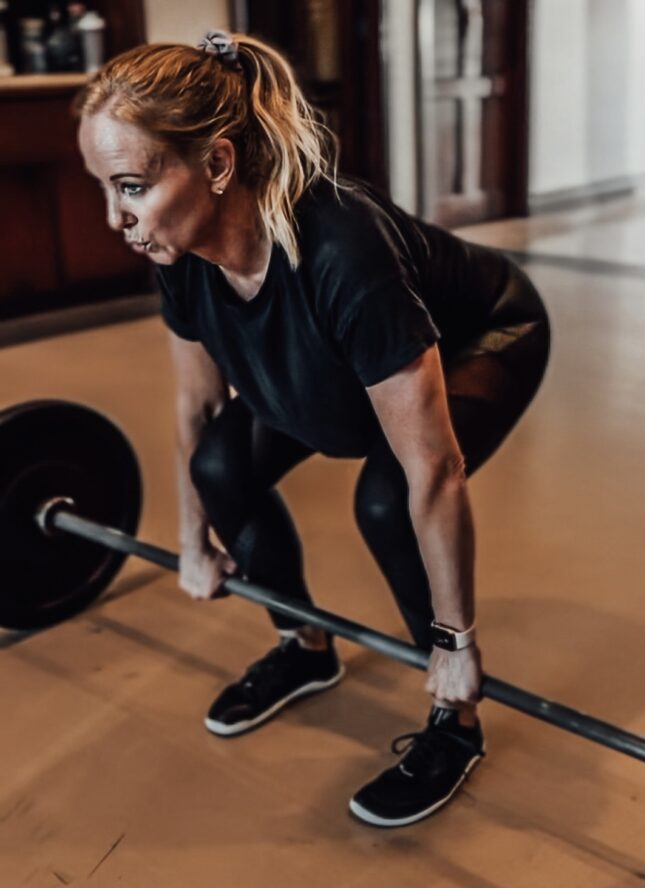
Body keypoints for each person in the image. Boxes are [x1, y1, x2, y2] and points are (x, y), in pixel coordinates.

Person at [75, 30, 550, 828]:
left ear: (218, 165)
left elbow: (432, 470)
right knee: (222, 466)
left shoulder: (341, 252)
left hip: (486, 334)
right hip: (341, 364)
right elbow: (198, 411)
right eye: (105, 188)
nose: (115, 218)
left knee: (384, 498)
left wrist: (457, 641)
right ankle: (305, 645)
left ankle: (455, 722)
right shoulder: (179, 251)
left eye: (129, 185)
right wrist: (194, 540)